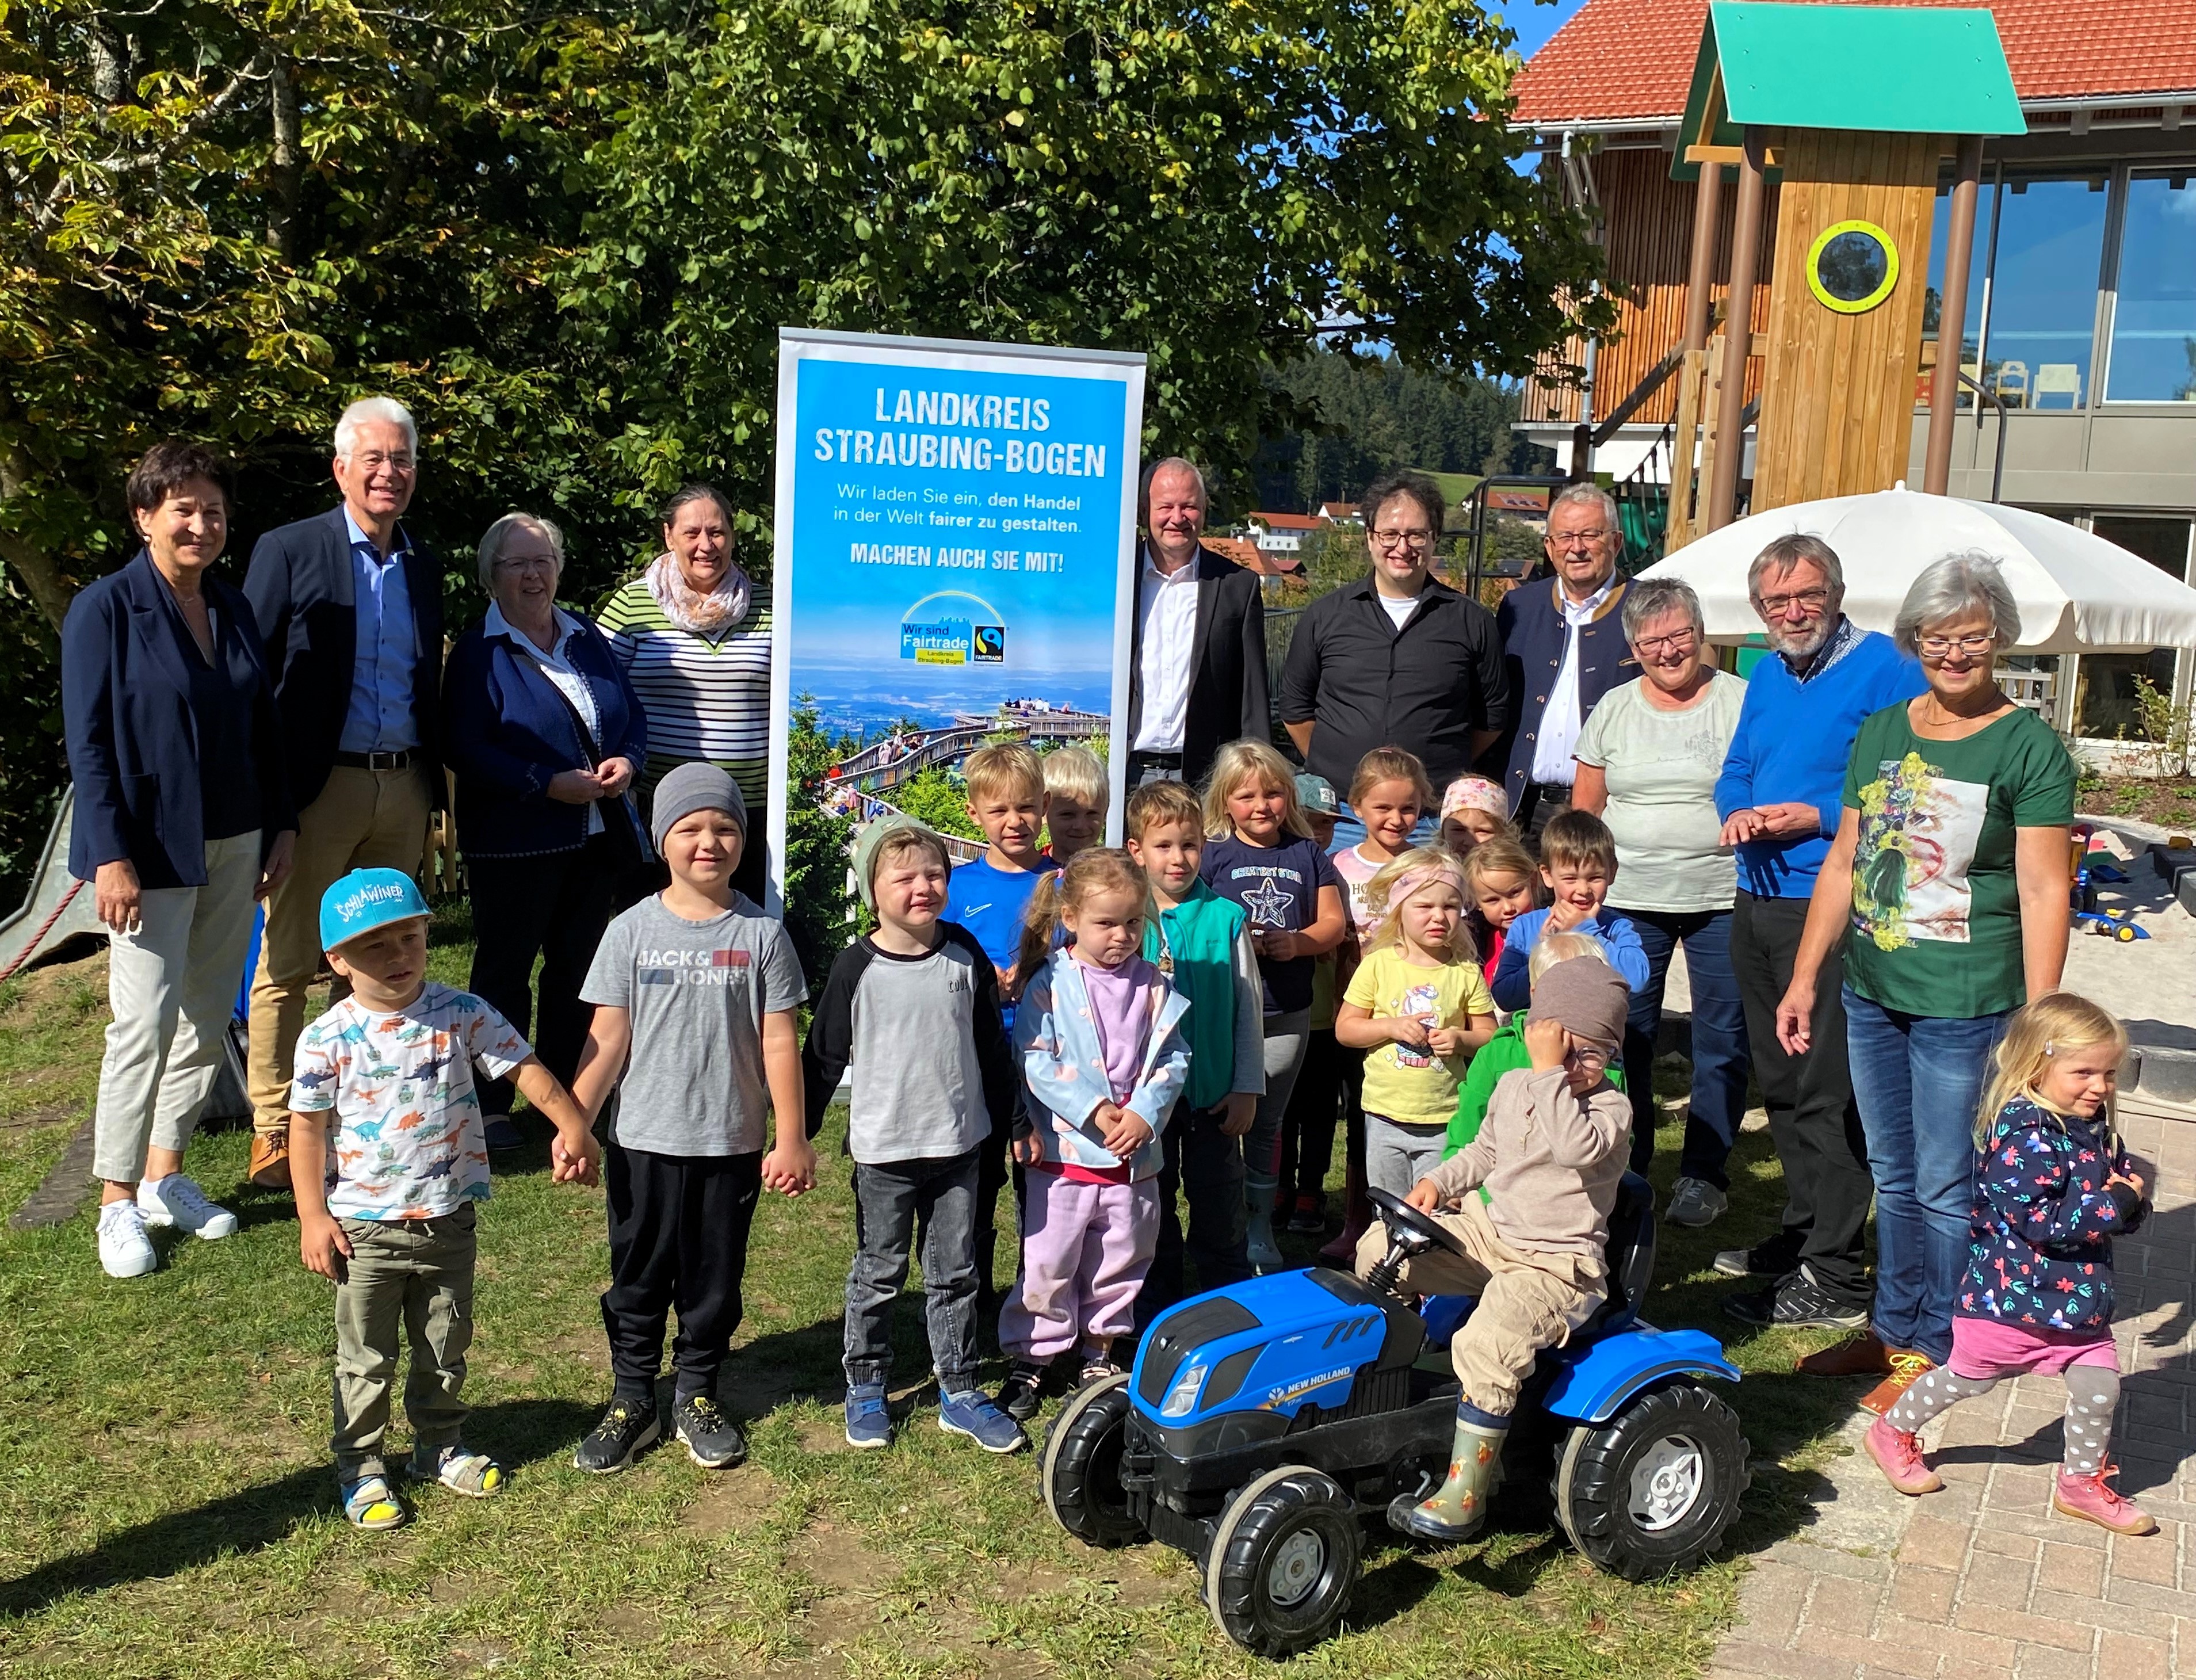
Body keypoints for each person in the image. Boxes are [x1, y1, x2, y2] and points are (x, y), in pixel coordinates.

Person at [1775, 554, 2076, 1408]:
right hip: (1872, 992)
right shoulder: (1881, 731)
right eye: (1937, 639)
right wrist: (1805, 979)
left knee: (1948, 1183)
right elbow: (1844, 861)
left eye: (1972, 639)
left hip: (1967, 999)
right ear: (1913, 640)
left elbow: (2043, 886)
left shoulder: (2027, 746)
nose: (1953, 655)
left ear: (2000, 641)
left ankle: (1944, 1349)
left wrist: (2042, 1015)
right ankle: (1894, 1326)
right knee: (1894, 1175)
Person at [287, 869, 599, 1529]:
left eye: (411, 937)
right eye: (376, 946)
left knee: (443, 1341)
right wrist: (313, 1215)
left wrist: (573, 1124)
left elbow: (526, 1070)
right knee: (366, 1357)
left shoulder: (463, 1012)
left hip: (447, 1219)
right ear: (337, 961)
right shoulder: (326, 1039)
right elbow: (307, 1131)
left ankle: (439, 1445)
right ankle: (362, 1466)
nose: (398, 956)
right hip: (363, 1230)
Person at [64, 442, 299, 1278]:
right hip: (149, 848)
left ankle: (167, 1174)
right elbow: (88, 747)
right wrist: (109, 856)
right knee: (143, 1024)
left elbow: (261, 732)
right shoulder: (104, 611)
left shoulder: (231, 608)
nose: (201, 524)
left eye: (213, 512)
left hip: (238, 838)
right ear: (144, 517)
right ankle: (115, 1202)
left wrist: (282, 827)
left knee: (204, 1016)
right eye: (183, 510)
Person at [1712, 534, 1926, 1351]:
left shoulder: (1890, 670)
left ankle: (1837, 1272)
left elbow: (1906, 797)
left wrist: (1818, 818)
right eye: (1775, 603)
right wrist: (1737, 808)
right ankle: (1803, 1231)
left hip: (1831, 904)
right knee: (1781, 1080)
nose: (1790, 613)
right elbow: (1738, 765)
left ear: (1835, 594)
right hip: (1757, 896)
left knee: (1827, 1087)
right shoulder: (1767, 671)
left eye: (1804, 597)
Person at [570, 765, 814, 1475]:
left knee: (712, 1278)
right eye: (691, 829)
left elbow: (778, 1039)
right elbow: (605, 1038)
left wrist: (791, 1135)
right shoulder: (629, 931)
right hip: (642, 1140)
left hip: (729, 1140)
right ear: (662, 841)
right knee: (639, 1273)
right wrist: (575, 1121)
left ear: (743, 841)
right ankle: (632, 1397)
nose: (709, 842)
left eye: (726, 828)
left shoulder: (764, 934)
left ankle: (699, 1392)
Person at [243, 397, 444, 1192]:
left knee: (372, 957)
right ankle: (272, 1126)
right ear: (341, 468)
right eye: (375, 459)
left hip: (402, 785)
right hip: (316, 789)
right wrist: (269, 802)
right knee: (287, 959)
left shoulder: (424, 563)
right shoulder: (289, 550)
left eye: (402, 460)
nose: (389, 473)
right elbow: (252, 679)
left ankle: (354, 1111)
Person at [1862, 993, 2156, 1537]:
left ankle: (2079, 1483)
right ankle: (1890, 1431)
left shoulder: (2096, 1129)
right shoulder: (2024, 1135)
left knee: (2099, 1390)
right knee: (1965, 1381)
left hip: (2078, 1304)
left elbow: (2117, 1205)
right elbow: (2040, 1221)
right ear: (2036, 1067)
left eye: (2109, 1072)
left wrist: (2131, 1204)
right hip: (2011, 1300)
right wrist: (2116, 1205)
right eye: (2084, 1072)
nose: (2099, 1086)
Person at [1360, 954, 1631, 1542]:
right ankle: (1379, 1389)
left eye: (1590, 1052)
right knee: (1380, 1248)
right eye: (1562, 1045)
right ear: (1537, 1034)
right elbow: (1484, 1152)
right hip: (1492, 1232)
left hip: (1557, 1263)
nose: (1574, 1064)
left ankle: (1465, 1492)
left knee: (1488, 1340)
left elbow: (1572, 1147)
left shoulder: (1610, 1109)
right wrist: (1441, 1181)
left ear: (1611, 1055)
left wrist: (1547, 1072)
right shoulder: (1514, 1086)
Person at [800, 820, 1025, 1453]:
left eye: (934, 874)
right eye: (904, 877)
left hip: (960, 1147)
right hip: (883, 1154)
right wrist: (797, 1135)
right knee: (879, 1272)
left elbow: (990, 1047)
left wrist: (1013, 1125)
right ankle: (867, 1384)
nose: (922, 886)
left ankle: (957, 1386)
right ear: (874, 890)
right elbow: (820, 1058)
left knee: (956, 1273)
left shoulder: (963, 953)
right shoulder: (855, 967)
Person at [442, 513, 649, 1151]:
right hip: (515, 839)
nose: (533, 575)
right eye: (517, 564)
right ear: (490, 576)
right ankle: (491, 1101)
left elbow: (629, 714)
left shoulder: (585, 634)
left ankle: (564, 1094)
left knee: (578, 970)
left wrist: (629, 761)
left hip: (594, 836)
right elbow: (463, 745)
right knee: (504, 973)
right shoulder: (480, 650)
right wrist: (542, 780)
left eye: (543, 562)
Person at [1570, 575, 1750, 1226]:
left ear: (1699, 634)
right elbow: (1585, 810)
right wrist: (1575, 892)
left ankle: (1704, 1173)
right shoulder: (1615, 708)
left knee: (1723, 1039)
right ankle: (1628, 1163)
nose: (1667, 650)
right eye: (1652, 640)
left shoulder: (1740, 700)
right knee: (1627, 1035)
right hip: (1629, 898)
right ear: (1633, 648)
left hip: (1722, 895)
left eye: (1678, 635)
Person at [999, 849, 1191, 1394]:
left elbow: (1174, 1058)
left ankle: (1098, 1349)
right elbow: (1034, 1055)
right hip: (1064, 1158)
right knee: (1050, 1260)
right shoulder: (1050, 980)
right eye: (1105, 923)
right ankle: (1033, 1356)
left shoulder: (1153, 984)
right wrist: (1091, 1108)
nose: (1121, 935)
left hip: (1133, 1161)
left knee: (1122, 1258)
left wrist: (1143, 1115)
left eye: (1133, 922)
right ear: (1070, 920)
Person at [1279, 471, 1511, 823]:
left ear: (1434, 539)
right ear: (1370, 537)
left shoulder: (1472, 621)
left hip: (1428, 819)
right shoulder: (1325, 616)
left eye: (1416, 535)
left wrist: (1438, 764)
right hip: (1337, 815)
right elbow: (1295, 709)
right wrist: (1337, 762)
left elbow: (1492, 719)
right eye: (1389, 534)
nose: (1402, 548)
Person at [1199, 740, 1347, 1270]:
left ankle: (1259, 1227)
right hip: (1220, 1014)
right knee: (1218, 1121)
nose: (1260, 806)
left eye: (1273, 794)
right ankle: (1220, 1221)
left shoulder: (1306, 854)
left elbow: (1333, 924)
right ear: (1225, 801)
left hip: (1285, 1010)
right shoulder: (1211, 853)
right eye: (1246, 796)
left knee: (1266, 1123)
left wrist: (1297, 943)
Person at [1124, 781, 1264, 1323]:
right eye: (1163, 846)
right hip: (1148, 1101)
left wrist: (1246, 1085)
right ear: (1137, 850)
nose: (1178, 858)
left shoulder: (1225, 917)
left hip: (1213, 1093)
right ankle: (1153, 1310)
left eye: (1189, 845)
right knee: (1151, 1205)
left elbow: (1247, 1007)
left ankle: (1227, 1308)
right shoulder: (1129, 920)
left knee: (1218, 1203)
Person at [597, 484, 772, 903]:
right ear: (668, 536)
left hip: (750, 809)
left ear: (732, 535)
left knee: (744, 929)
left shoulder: (771, 606)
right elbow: (595, 690)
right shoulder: (633, 605)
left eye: (717, 532)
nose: (705, 545)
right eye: (692, 533)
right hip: (659, 808)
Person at [942, 742, 1059, 1304]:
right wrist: (980, 973)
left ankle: (1035, 1287)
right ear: (974, 814)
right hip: (978, 1058)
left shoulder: (1064, 881)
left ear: (1043, 806)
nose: (1015, 821)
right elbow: (934, 955)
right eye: (1000, 810)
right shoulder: (957, 887)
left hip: (1048, 1057)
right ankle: (972, 1288)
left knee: (1039, 1180)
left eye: (1026, 807)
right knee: (976, 1179)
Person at [1336, 850, 1497, 1198]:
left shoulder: (1467, 972)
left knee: (1434, 1212)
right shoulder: (1378, 965)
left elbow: (1489, 1035)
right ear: (1399, 911)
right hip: (1383, 1116)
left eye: (1450, 906)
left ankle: (1427, 1257)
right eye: (1424, 906)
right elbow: (1346, 1030)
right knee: (1388, 1207)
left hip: (1445, 1117)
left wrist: (1460, 1039)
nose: (1439, 916)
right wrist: (1390, 1027)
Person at [1495, 484, 1636, 837]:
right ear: (1549, 547)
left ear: (1616, 542)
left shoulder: (1646, 607)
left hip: (1609, 808)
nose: (1577, 548)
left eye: (1590, 535)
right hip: (1520, 807)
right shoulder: (1519, 607)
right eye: (1565, 537)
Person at [1124, 458, 1269, 786]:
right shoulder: (1114, 580)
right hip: (1124, 774)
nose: (1178, 518)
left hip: (1206, 779)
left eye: (1189, 506)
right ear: (1145, 510)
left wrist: (1257, 778)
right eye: (1166, 507)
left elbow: (1252, 698)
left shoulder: (1237, 586)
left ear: (1204, 509)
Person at [1445, 932, 1626, 1161]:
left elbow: (1617, 1141)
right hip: (1493, 1191)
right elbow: (1468, 1126)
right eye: (1562, 995)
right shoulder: (1500, 1053)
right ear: (1535, 993)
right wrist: (1453, 1183)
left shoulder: (1599, 1062)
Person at [1488, 810, 1648, 1010]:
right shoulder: (1525, 926)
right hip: (1538, 1037)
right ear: (1547, 876)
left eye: (1595, 878)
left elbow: (1638, 981)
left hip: (1595, 1036)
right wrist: (1544, 950)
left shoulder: (1616, 928)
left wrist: (1587, 930)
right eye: (1570, 879)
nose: (1583, 890)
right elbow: (1504, 997)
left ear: (1612, 873)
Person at [1280, 774, 1346, 1235]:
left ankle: (1310, 1190)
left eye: (1327, 824)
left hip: (1326, 1014)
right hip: (1287, 1008)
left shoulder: (1334, 872)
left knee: (1319, 1111)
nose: (1319, 832)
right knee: (1281, 1109)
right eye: (1310, 821)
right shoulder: (1283, 865)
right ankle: (1277, 1185)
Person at [1461, 837, 1540, 988]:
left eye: (1515, 893)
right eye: (1493, 900)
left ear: (1533, 881)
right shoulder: (1477, 942)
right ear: (1476, 902)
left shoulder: (1550, 932)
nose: (1508, 908)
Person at [1041, 744, 1108, 862]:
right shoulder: (1029, 872)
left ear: (1105, 812)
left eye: (1092, 814)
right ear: (1044, 810)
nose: (1080, 826)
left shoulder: (1115, 874)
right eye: (1068, 814)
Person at [1438, 776, 1513, 855]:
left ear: (1503, 835)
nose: (1469, 842)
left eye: (1483, 831)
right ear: (1443, 832)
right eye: (1459, 830)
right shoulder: (1429, 866)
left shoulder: (1515, 866)